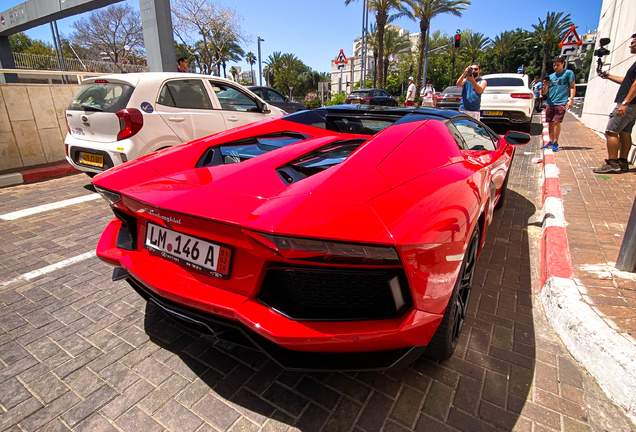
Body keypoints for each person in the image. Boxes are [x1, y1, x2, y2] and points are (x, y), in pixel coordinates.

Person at [593, 33, 636, 173]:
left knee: (611, 132)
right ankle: (623, 162)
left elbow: (635, 85)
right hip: (632, 105)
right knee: (625, 132)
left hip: (628, 103)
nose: (630, 45)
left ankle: (613, 163)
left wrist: (625, 102)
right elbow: (628, 81)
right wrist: (608, 76)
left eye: (633, 43)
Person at [541, 56, 575, 152]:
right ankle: (551, 141)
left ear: (563, 63)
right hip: (550, 102)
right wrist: (545, 85)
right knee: (550, 122)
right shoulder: (551, 76)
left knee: (557, 122)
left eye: (557, 65)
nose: (555, 67)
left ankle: (556, 142)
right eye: (554, 65)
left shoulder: (568, 73)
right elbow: (545, 91)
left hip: (561, 101)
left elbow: (572, 87)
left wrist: (571, 99)